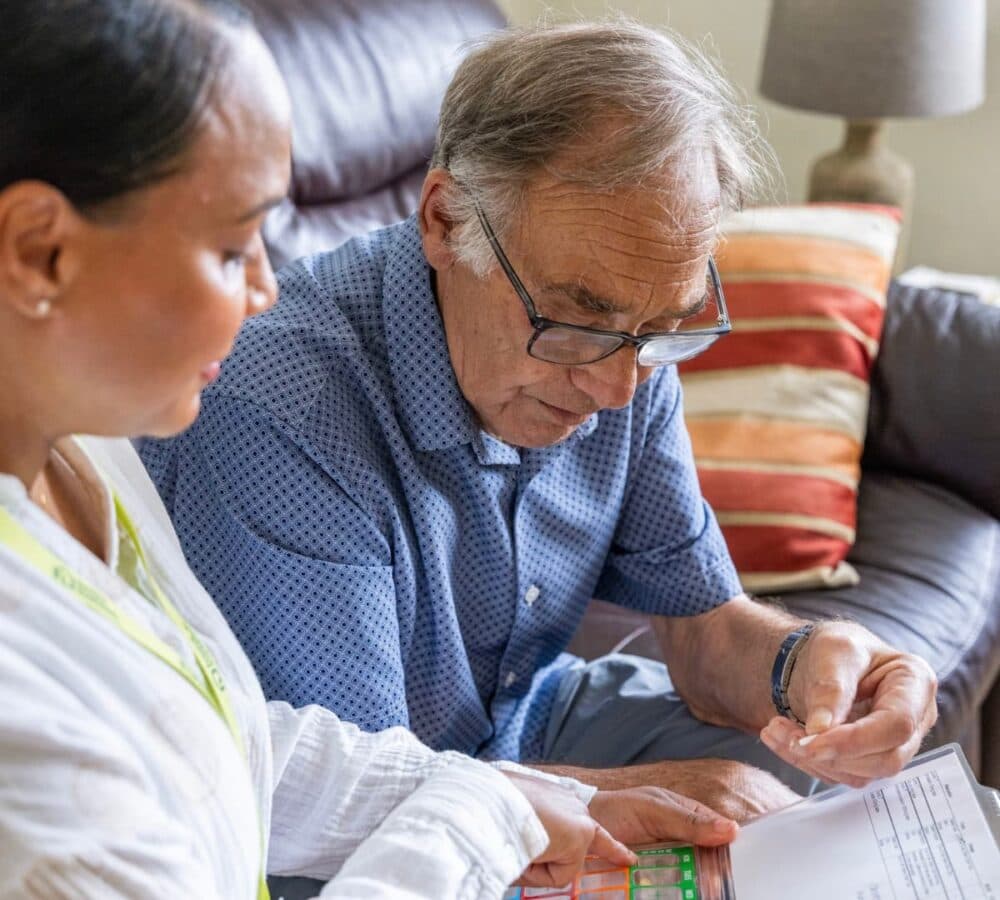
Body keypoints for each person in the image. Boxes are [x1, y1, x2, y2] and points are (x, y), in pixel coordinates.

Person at [0, 4, 749, 898]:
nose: (266, 289)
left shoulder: (84, 451)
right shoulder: (26, 719)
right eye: (235, 246)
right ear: (38, 252)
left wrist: (505, 793)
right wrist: (488, 817)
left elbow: (231, 738)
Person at [140, 21, 938, 825]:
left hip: (524, 722)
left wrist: (816, 669)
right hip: (355, 815)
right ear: (445, 221)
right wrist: (619, 800)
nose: (618, 389)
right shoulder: (282, 407)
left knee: (829, 781)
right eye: (576, 317)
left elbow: (704, 635)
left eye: (662, 326)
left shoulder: (627, 343)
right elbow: (344, 804)